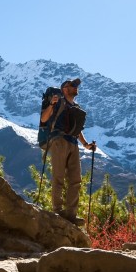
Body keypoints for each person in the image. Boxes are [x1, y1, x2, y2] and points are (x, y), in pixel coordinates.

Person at [39, 78, 96, 225]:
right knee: (58, 177)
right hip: (59, 140)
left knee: (75, 180)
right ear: (65, 89)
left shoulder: (75, 106)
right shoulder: (58, 102)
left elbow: (77, 130)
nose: (76, 87)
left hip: (73, 143)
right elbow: (44, 119)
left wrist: (85, 145)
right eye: (73, 86)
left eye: (76, 86)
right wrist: (52, 104)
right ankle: (57, 211)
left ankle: (71, 214)